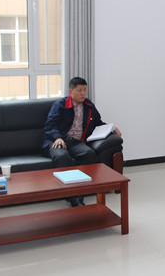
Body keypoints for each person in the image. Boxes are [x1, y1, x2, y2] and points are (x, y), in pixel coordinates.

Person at [43, 77, 122, 207]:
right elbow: (50, 125)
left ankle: (80, 194)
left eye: (85, 90)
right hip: (58, 140)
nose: (83, 93)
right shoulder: (60, 105)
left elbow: (98, 123)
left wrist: (112, 128)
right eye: (79, 90)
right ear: (71, 91)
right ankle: (72, 197)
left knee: (89, 154)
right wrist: (57, 137)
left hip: (76, 142)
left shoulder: (89, 105)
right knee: (63, 156)